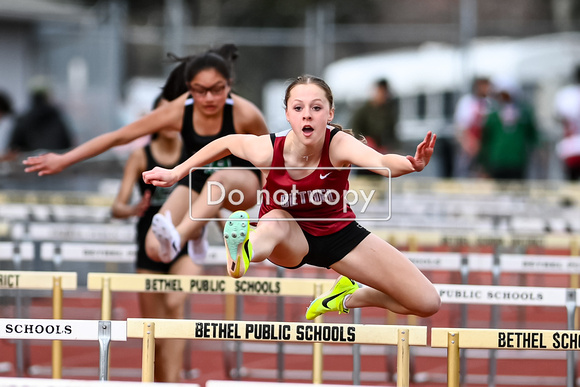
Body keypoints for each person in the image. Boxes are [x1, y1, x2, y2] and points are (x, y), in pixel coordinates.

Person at [143, 74, 441, 321]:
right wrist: (176, 172)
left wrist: (411, 164)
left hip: (339, 234)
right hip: (288, 237)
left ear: (330, 113)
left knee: (427, 302)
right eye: (298, 108)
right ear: (287, 114)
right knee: (273, 220)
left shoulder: (339, 145)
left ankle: (346, 296)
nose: (307, 115)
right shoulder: (268, 149)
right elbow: (227, 143)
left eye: (316, 107)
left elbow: (381, 162)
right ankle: (244, 250)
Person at [22, 44, 269, 264]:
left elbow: (272, 160)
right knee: (153, 247)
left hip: (242, 185)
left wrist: (272, 208)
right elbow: (119, 136)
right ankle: (195, 228)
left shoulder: (245, 114)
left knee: (218, 181)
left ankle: (184, 234)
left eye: (217, 90)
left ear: (230, 84)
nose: (209, 98)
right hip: (198, 180)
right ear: (188, 88)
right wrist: (65, 159)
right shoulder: (178, 111)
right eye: (200, 90)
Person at [111, 93, 200, 382]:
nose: (172, 122)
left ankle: (172, 381)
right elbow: (117, 206)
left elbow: (213, 192)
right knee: (155, 332)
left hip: (183, 245)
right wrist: (132, 209)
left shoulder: (192, 154)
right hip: (148, 250)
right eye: (165, 115)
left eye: (177, 116)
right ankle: (159, 381)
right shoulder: (141, 156)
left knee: (175, 307)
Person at [477, 77, 539, 180]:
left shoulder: (525, 114)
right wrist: (483, 165)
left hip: (517, 160)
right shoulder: (492, 115)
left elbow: (532, 137)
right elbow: (485, 141)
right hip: (497, 160)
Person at [8, 88, 74, 153]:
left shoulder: (24, 118)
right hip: (56, 157)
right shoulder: (55, 116)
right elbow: (67, 142)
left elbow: (14, 146)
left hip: (31, 159)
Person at [453, 76, 492, 177]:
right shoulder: (466, 102)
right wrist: (467, 143)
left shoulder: (489, 103)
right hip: (468, 145)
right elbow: (460, 126)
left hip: (484, 146)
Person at [350, 78, 400, 154]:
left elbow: (391, 134)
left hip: (382, 150)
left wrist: (391, 147)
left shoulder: (388, 111)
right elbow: (354, 130)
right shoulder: (363, 111)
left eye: (384, 92)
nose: (383, 95)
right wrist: (365, 141)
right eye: (380, 91)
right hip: (365, 149)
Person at [554, 64, 580, 181]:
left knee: (571, 183)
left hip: (571, 145)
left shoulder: (566, 95)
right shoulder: (567, 94)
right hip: (572, 144)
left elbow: (559, 117)